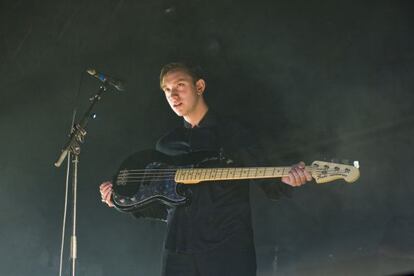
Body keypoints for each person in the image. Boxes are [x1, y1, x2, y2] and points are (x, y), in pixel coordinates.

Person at [99, 62, 312, 276]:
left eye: (180, 85)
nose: (173, 95)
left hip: (228, 252)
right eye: (167, 90)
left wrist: (290, 179)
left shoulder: (233, 133)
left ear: (199, 87)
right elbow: (164, 208)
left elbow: (270, 183)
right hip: (178, 253)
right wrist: (120, 201)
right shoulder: (166, 146)